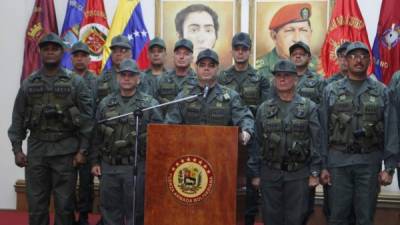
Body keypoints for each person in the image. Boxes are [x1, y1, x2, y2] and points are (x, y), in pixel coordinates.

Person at [8, 33, 93, 225]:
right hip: (37, 150)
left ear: (62, 52)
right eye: (46, 49)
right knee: (37, 204)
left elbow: (88, 120)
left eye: (54, 48)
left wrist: (83, 150)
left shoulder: (75, 82)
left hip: (66, 151)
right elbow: (18, 117)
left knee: (65, 206)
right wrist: (17, 149)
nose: (50, 52)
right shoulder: (29, 83)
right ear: (40, 52)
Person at [320, 42, 398, 225]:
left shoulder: (382, 91)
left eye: (363, 56)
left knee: (365, 217)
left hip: (368, 163)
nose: (359, 60)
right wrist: (322, 165)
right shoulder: (331, 90)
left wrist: (389, 167)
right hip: (338, 163)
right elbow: (322, 130)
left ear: (369, 61)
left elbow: (391, 130)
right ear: (346, 60)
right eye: (354, 56)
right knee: (337, 217)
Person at [90, 59, 163, 225]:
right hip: (109, 166)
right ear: (118, 77)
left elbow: (160, 138)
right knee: (109, 211)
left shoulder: (149, 104)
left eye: (131, 75)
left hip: (136, 166)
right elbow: (96, 135)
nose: (127, 78)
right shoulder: (105, 103)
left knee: (136, 213)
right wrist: (94, 161)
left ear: (139, 78)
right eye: (123, 74)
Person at [253, 59, 321, 225]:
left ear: (296, 79)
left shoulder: (309, 107)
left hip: (298, 173)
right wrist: (255, 173)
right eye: (278, 76)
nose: (282, 79)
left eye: (287, 76)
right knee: (271, 218)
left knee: (296, 218)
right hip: (270, 172)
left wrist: (314, 172)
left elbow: (316, 141)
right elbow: (257, 143)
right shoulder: (264, 108)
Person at [217, 32, 270, 225]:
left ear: (249, 51)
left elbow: (265, 109)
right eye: (237, 49)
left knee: (250, 184)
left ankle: (248, 219)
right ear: (232, 51)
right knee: (225, 180)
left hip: (252, 137)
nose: (240, 53)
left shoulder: (260, 78)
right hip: (226, 138)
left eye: (244, 49)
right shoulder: (222, 77)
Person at [165, 48, 254, 147]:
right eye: (202, 65)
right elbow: (170, 123)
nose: (206, 68)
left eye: (211, 65)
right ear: (196, 68)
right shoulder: (184, 96)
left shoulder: (230, 96)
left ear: (217, 68)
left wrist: (246, 131)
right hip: (189, 151)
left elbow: (244, 117)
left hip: (221, 151)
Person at [256, 3, 320, 80]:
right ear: (274, 36)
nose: (297, 39)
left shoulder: (321, 67)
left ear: (311, 34)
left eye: (303, 30)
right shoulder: (258, 70)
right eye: (290, 31)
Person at [71, 41, 97, 225]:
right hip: (68, 136)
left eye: (83, 56)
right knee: (67, 180)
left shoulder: (96, 80)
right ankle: (68, 213)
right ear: (71, 58)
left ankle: (84, 215)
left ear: (89, 59)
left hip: (90, 136)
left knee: (86, 180)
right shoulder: (66, 79)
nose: (79, 59)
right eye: (76, 56)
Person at [154, 38, 197, 113]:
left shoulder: (198, 81)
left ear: (192, 58)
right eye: (178, 53)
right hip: (164, 122)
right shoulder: (160, 79)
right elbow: (153, 106)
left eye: (186, 54)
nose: (181, 57)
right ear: (173, 56)